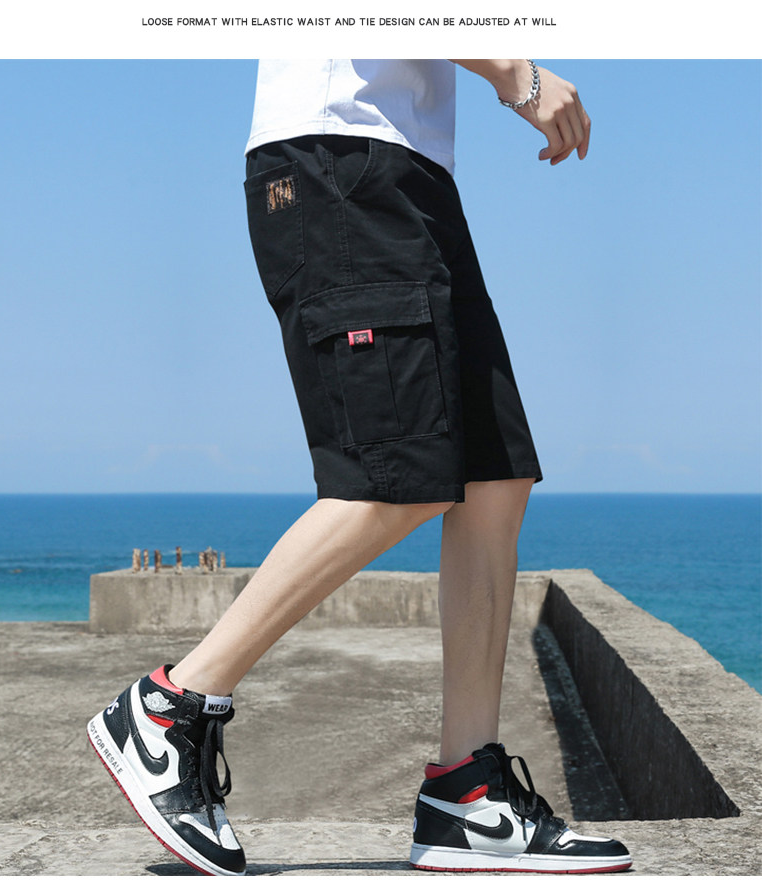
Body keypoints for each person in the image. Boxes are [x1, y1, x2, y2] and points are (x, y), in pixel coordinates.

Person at [87, 59, 632, 875]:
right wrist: (514, 74)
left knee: (492, 476)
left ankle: (467, 795)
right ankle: (171, 704)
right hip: (338, 158)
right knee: (392, 472)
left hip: (411, 172)